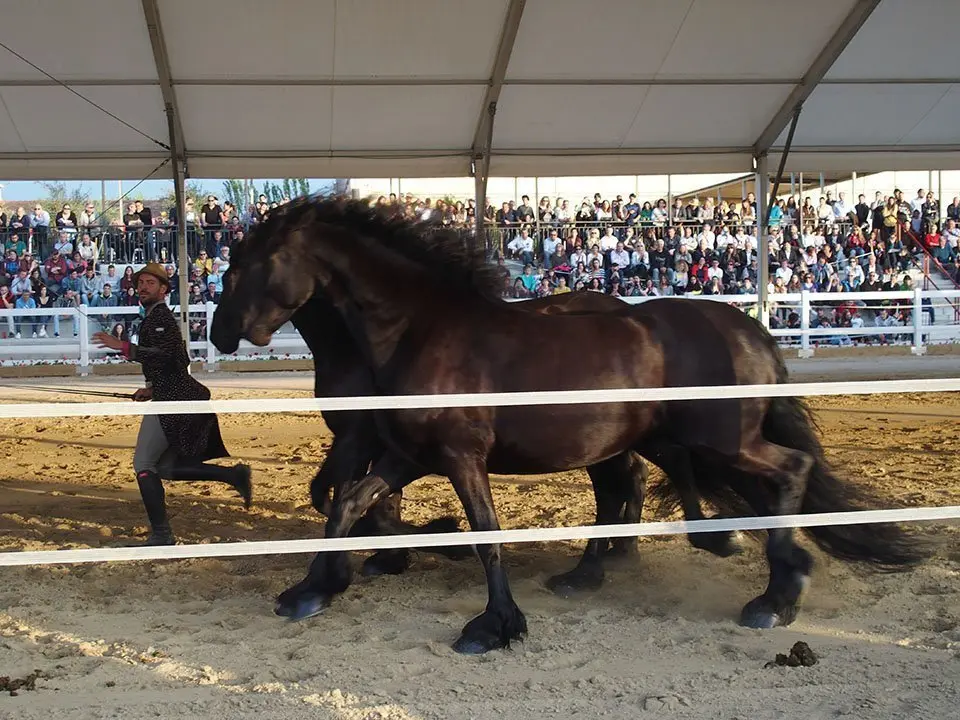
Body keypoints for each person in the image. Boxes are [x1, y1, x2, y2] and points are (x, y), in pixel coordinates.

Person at [92, 262, 251, 545]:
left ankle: (163, 534)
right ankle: (233, 476)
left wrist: (124, 347)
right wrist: (152, 388)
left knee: (144, 463)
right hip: (172, 394)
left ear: (164, 289)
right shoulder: (155, 317)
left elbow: (169, 357)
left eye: (150, 283)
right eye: (141, 283)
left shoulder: (160, 317)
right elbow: (171, 361)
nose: (143, 287)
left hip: (175, 398)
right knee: (164, 467)